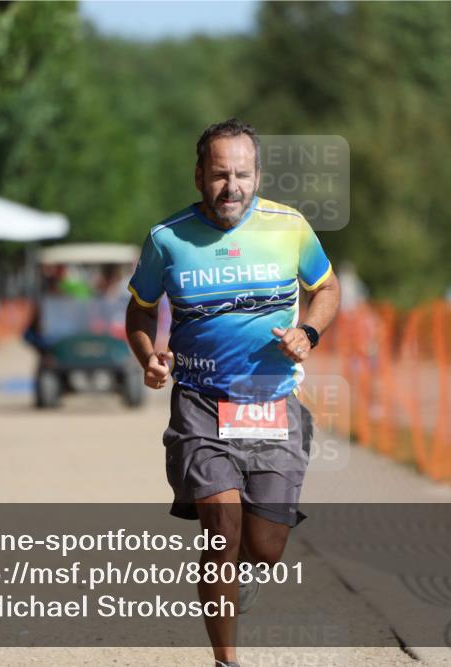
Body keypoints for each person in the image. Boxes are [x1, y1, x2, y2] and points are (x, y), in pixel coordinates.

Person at [125, 118, 341, 667]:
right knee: (221, 531)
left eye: (243, 175)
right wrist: (149, 356)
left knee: (265, 548)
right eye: (220, 174)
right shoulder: (167, 239)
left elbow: (326, 288)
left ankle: (245, 569)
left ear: (258, 176)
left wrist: (308, 332)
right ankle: (227, 660)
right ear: (199, 175)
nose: (232, 186)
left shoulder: (289, 227)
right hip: (200, 403)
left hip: (272, 401)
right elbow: (140, 310)